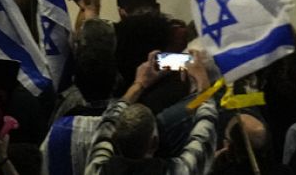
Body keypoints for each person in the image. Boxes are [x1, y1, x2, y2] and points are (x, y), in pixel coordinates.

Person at [85, 50, 219, 175]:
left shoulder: (96, 170)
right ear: (155, 142)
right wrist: (202, 80)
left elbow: (108, 121)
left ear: (114, 138)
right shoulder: (177, 171)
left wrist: (139, 84)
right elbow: (205, 129)